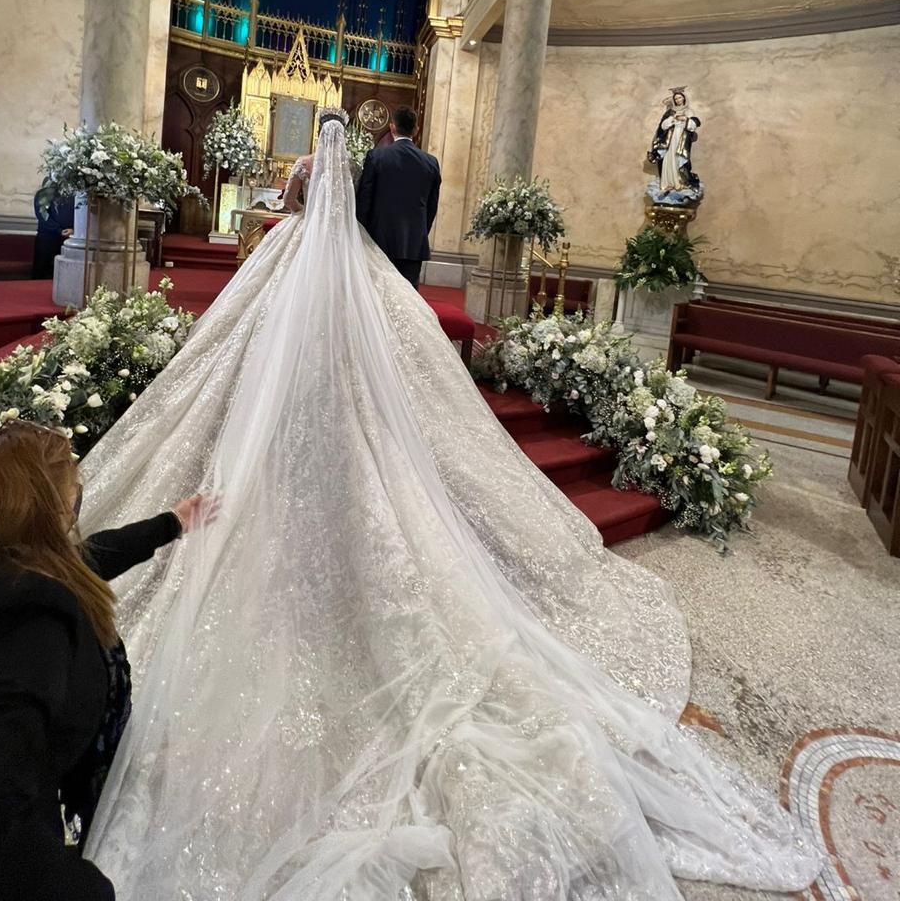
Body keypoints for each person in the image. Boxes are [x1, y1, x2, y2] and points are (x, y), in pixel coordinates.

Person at [78, 108, 817, 899]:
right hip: (371, 291)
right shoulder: (376, 216)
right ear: (354, 152)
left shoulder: (297, 207)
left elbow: (264, 266)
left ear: (314, 154)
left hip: (295, 314)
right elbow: (401, 291)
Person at [0, 421, 212, 901]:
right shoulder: (25, 617)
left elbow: (88, 559)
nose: (75, 507)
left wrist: (170, 522)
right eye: (70, 491)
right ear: (36, 506)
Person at [355, 105, 441, 287]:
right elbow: (432, 207)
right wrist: (420, 231)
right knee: (408, 295)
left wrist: (362, 235)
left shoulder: (377, 157)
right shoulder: (431, 163)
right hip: (413, 242)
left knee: (377, 293)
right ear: (416, 130)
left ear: (392, 127)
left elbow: (364, 201)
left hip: (379, 239)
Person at [33, 181, 76, 279]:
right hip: (47, 238)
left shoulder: (76, 193)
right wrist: (59, 230)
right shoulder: (44, 193)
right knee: (41, 272)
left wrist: (74, 229)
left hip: (70, 238)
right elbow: (43, 215)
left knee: (65, 275)